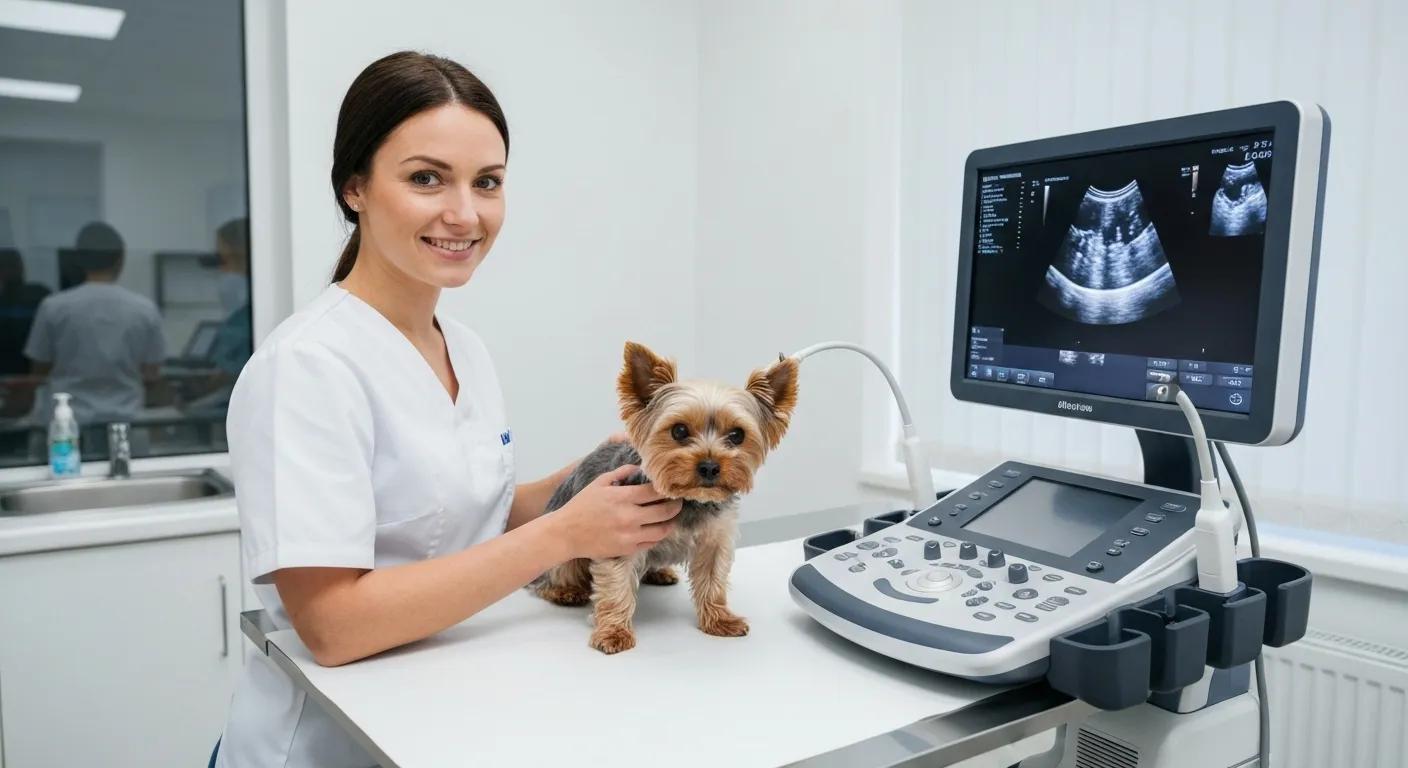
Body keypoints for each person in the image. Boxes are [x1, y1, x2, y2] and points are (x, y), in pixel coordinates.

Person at [212, 51, 682, 768]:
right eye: (426, 178)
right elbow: (332, 627)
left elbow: (470, 509)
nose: (465, 214)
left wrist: (591, 477)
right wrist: (562, 533)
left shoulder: (460, 345)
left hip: (441, 716)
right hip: (327, 743)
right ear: (355, 188)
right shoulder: (305, 368)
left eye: (487, 183)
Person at [22, 221, 166, 428]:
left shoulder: (53, 307)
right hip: (127, 424)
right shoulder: (144, 309)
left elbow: (38, 369)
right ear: (121, 259)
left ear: (79, 261)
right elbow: (152, 373)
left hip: (66, 427)